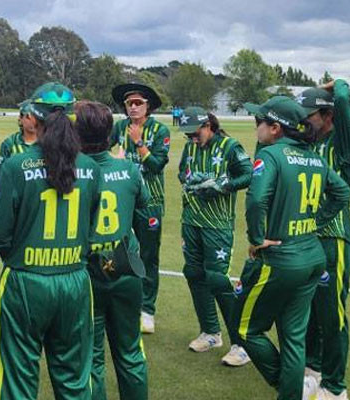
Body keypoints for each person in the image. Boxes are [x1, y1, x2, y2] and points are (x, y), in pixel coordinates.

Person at [231, 96, 350, 400]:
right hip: (312, 256)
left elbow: (256, 199)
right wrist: (317, 221)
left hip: (281, 259)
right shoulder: (314, 157)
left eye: (259, 121)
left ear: (275, 128)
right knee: (294, 337)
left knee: (245, 329)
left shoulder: (270, 155)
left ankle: (289, 384)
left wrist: (256, 238)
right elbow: (342, 193)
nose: (255, 125)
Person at [0, 82, 100, 400]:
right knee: (75, 381)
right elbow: (89, 232)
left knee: (17, 381)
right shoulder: (92, 168)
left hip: (25, 283)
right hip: (75, 283)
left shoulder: (15, 166)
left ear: (34, 118)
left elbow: (1, 236)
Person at [75, 100, 149, 400]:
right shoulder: (129, 169)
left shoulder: (72, 173)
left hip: (88, 271)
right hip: (125, 266)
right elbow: (142, 209)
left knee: (91, 357)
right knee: (130, 352)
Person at [298, 80, 350, 400]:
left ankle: (336, 387)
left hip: (333, 238)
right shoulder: (308, 143)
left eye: (310, 114)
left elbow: (343, 94)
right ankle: (312, 370)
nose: (304, 119)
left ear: (328, 115)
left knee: (332, 315)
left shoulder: (344, 143)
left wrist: (332, 86)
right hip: (306, 237)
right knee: (307, 311)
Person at [177, 107, 253, 366]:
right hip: (191, 220)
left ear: (208, 125)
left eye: (196, 134)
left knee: (217, 279)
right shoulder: (190, 147)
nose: (193, 139)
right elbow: (181, 172)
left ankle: (241, 345)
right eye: (188, 136)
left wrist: (222, 184)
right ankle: (210, 332)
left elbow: (249, 174)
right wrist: (190, 179)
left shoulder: (230, 146)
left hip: (218, 224)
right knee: (194, 274)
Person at [109, 82, 171, 333]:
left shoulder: (160, 129)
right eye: (129, 104)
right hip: (123, 200)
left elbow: (156, 165)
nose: (133, 108)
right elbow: (102, 148)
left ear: (148, 106)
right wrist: (114, 160)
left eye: (138, 103)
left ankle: (147, 310)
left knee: (148, 256)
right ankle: (121, 303)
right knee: (118, 252)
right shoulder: (120, 127)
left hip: (150, 202)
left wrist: (138, 143)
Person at [0, 100, 36, 188]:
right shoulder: (9, 143)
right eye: (28, 117)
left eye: (36, 116)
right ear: (20, 119)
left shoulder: (48, 142)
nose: (33, 120)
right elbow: (1, 178)